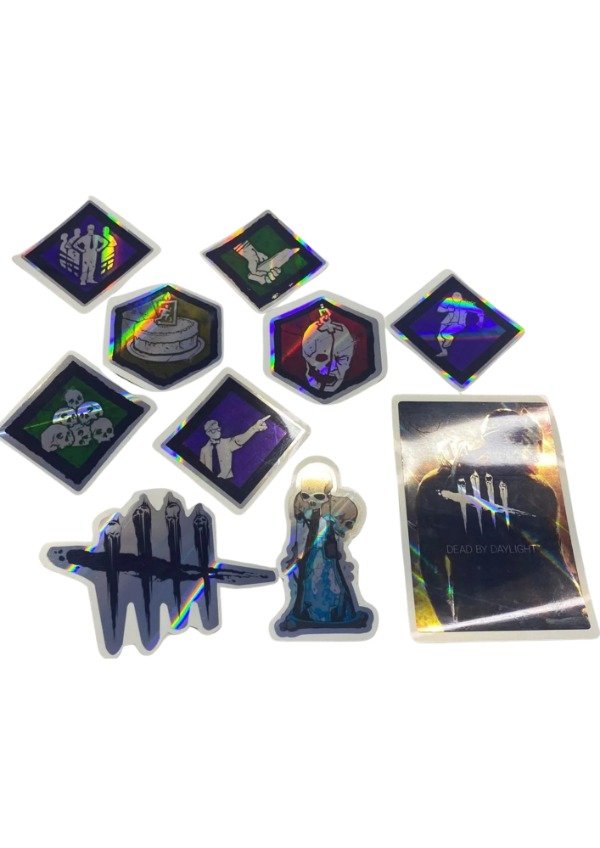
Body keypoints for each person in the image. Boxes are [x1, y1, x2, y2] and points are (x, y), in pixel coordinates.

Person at [415, 408, 589, 630]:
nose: (537, 456)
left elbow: (432, 566)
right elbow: (553, 560)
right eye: (534, 446)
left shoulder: (435, 485)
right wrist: (575, 609)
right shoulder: (536, 490)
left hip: (474, 617)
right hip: (529, 617)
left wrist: (449, 623)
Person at [199, 415, 270, 480]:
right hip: (209, 481)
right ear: (208, 433)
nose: (218, 431)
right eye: (214, 429)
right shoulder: (204, 450)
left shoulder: (226, 443)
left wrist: (255, 428)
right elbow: (201, 469)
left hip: (227, 481)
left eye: (218, 428)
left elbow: (239, 440)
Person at [436, 290, 484, 357]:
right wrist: (448, 309)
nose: (456, 297)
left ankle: (449, 338)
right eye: (454, 296)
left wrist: (480, 321)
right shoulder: (448, 300)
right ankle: (444, 352)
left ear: (461, 297)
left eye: (458, 296)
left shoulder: (465, 304)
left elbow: (479, 311)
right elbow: (439, 309)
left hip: (459, 324)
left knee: (444, 334)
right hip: (446, 321)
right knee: (439, 337)